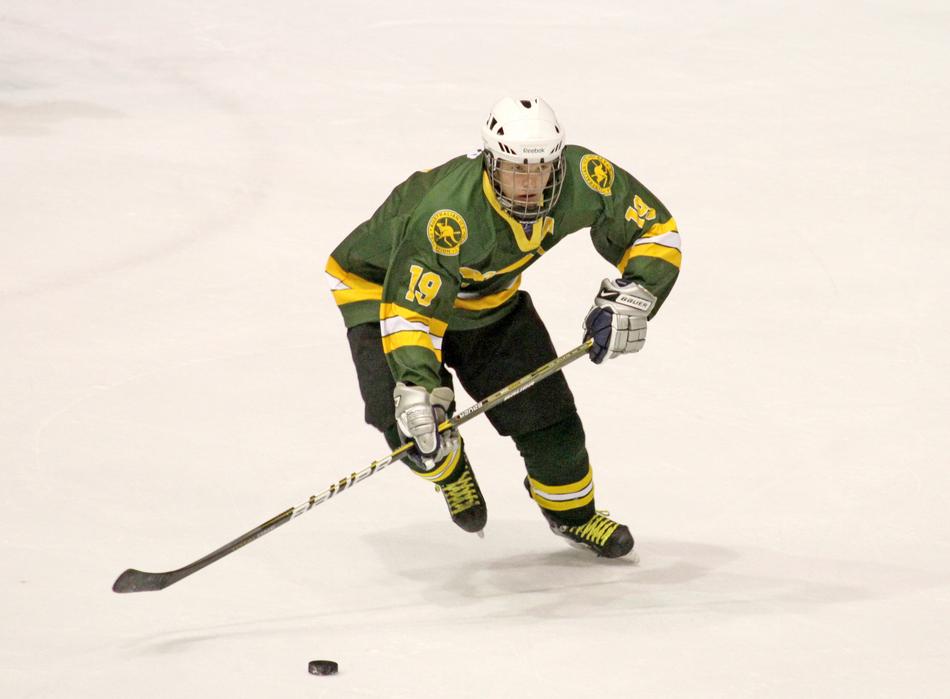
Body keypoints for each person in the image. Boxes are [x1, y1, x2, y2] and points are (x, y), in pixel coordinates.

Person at [326, 97, 680, 558]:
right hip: (381, 293)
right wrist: (418, 385)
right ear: (491, 163)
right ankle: (449, 468)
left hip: (484, 299)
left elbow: (655, 229)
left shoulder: (583, 177)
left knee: (552, 423)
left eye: (541, 169)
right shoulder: (447, 216)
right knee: (407, 417)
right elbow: (413, 311)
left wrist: (639, 292)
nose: (530, 183)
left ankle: (574, 516)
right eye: (516, 169)